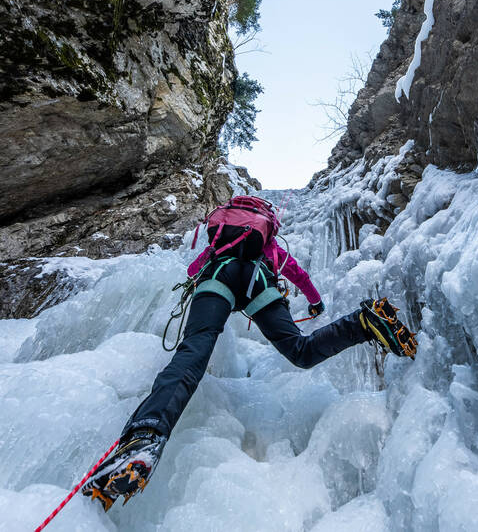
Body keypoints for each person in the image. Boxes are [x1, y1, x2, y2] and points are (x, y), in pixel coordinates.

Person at [82, 196, 416, 511]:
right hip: (259, 280)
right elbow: (298, 275)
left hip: (218, 275)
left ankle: (145, 435)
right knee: (300, 351)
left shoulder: (221, 240)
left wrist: (213, 291)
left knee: (193, 351)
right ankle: (364, 322)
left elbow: (193, 270)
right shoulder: (268, 245)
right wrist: (315, 302)